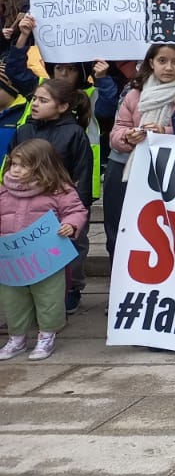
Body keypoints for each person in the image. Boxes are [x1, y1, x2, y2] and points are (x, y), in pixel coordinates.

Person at [106, 43, 175, 258]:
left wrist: (163, 132)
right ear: (151, 63)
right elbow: (117, 130)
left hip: (169, 169)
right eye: (162, 61)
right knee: (118, 226)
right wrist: (128, 137)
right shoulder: (134, 94)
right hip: (126, 166)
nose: (169, 67)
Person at [0, 139, 87, 361]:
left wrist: (71, 225)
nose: (16, 170)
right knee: (13, 299)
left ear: (42, 166)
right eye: (14, 164)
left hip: (47, 258)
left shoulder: (58, 190)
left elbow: (76, 211)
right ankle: (17, 338)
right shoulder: (3, 192)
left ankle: (46, 336)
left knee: (49, 297)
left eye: (23, 165)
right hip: (11, 259)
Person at [12, 77, 94, 312]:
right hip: (27, 204)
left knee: (68, 248)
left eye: (43, 100)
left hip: (61, 204)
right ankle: (28, 297)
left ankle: (71, 290)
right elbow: (11, 166)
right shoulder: (24, 130)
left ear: (62, 107)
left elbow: (83, 172)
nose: (35, 104)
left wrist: (78, 210)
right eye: (35, 99)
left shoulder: (74, 133)